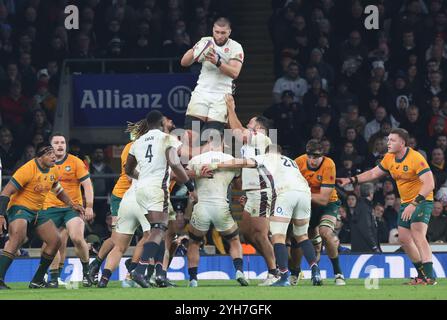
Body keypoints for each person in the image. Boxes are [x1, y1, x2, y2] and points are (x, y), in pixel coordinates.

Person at [212, 144, 322, 286]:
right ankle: (315, 270)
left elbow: (243, 162)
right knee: (302, 235)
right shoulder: (291, 162)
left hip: (285, 193)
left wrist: (217, 165)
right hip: (305, 194)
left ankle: (283, 277)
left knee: (278, 237)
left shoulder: (266, 157)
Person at [337, 128, 436, 285]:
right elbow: (373, 174)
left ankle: (430, 276)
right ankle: (422, 275)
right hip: (405, 202)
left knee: (418, 234)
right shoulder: (390, 158)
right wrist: (351, 180)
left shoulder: (415, 158)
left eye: (392, 140)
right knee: (404, 239)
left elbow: (430, 183)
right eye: (388, 140)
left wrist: (414, 203)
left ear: (402, 143)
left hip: (421, 200)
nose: (388, 143)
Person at [125, 110, 197, 288]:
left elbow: (128, 170)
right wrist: (190, 187)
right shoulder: (167, 138)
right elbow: (174, 163)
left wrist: (143, 177)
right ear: (162, 122)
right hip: (157, 188)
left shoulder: (138, 142)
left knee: (159, 232)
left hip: (140, 189)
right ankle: (139, 270)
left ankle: (159, 275)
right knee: (159, 229)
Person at [0, 142, 85, 289]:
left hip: (38, 211)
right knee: (17, 239)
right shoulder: (27, 169)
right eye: (49, 154)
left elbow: (58, 190)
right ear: (40, 157)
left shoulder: (53, 170)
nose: (54, 157)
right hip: (20, 208)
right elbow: (6, 192)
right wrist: (1, 215)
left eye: (54, 153)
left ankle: (37, 280)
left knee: (55, 240)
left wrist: (72, 204)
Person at [225, 94, 278, 286]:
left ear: (260, 129)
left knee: (260, 233)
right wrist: (243, 192)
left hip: (263, 189)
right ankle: (276, 268)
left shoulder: (262, 138)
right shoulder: (247, 146)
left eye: (250, 124)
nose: (247, 126)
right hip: (252, 191)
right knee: (248, 233)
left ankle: (276, 272)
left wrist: (231, 107)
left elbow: (237, 131)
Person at [186, 130, 248, 287]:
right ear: (223, 143)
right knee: (234, 240)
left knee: (194, 242)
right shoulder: (231, 160)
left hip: (202, 207)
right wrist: (237, 198)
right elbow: (238, 186)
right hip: (221, 207)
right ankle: (239, 271)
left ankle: (193, 279)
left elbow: (183, 176)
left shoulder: (196, 159)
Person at [180, 17, 244, 155]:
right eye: (217, 32)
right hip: (201, 93)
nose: (219, 36)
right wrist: (196, 50)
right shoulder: (205, 42)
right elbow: (184, 63)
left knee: (213, 138)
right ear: (213, 30)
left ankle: (210, 171)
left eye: (223, 33)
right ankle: (188, 171)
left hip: (221, 96)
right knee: (190, 136)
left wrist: (218, 62)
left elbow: (235, 73)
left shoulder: (235, 47)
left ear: (229, 32)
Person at [41, 133, 94, 288]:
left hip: (73, 207)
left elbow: (87, 185)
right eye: (56, 142)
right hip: (50, 207)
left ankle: (86, 272)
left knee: (77, 238)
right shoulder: (43, 163)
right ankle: (53, 277)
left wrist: (89, 205)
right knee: (55, 242)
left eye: (62, 142)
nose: (60, 145)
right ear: (51, 146)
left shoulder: (76, 162)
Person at [294, 139, 346, 285]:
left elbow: (323, 199)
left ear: (322, 155)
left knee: (326, 233)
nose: (312, 160)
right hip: (307, 205)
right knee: (310, 242)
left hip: (329, 203)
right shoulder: (298, 162)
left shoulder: (329, 164)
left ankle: (338, 273)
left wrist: (301, 193)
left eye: (316, 156)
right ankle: (302, 273)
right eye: (310, 156)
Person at [350, 183, 380, 253]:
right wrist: (374, 246)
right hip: (365, 249)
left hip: (364, 248)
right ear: (370, 193)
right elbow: (366, 228)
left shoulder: (363, 205)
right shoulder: (364, 207)